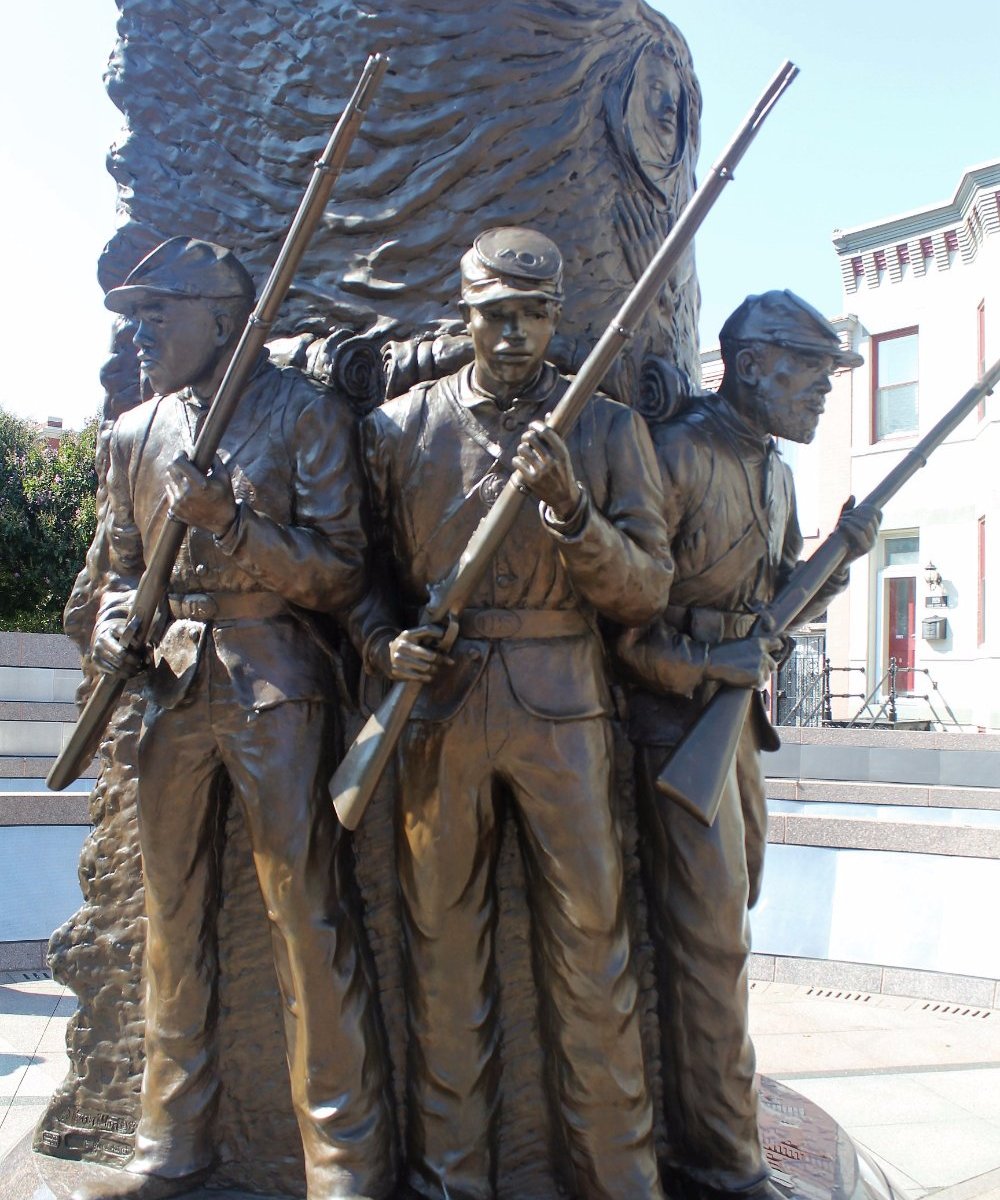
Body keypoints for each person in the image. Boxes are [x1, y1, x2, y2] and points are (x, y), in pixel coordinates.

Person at [350, 227, 672, 1200]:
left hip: (564, 711)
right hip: (440, 715)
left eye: (535, 316)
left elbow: (647, 588)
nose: (518, 335)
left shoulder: (608, 433)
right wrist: (382, 644)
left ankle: (616, 1180)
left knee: (593, 952)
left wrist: (574, 515)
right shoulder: (399, 430)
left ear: (555, 318)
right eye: (498, 315)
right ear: (467, 315)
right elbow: (359, 578)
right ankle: (453, 1181)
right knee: (444, 962)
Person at [75, 237, 395, 1200]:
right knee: (172, 920)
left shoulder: (304, 417)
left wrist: (230, 526)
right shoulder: (133, 434)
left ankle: (344, 1165)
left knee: (306, 917)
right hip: (173, 694)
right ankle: (169, 1147)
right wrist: (111, 627)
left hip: (277, 685)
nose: (139, 334)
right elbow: (115, 572)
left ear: (221, 320)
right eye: (134, 316)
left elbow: (342, 571)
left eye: (156, 314)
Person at [616, 290, 881, 1200]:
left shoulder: (773, 468)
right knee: (709, 945)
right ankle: (726, 1160)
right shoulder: (680, 453)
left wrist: (835, 562)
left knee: (731, 919)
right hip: (672, 727)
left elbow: (777, 600)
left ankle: (711, 1124)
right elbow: (621, 626)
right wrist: (707, 665)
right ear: (756, 360)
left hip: (728, 732)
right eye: (812, 373)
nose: (822, 395)